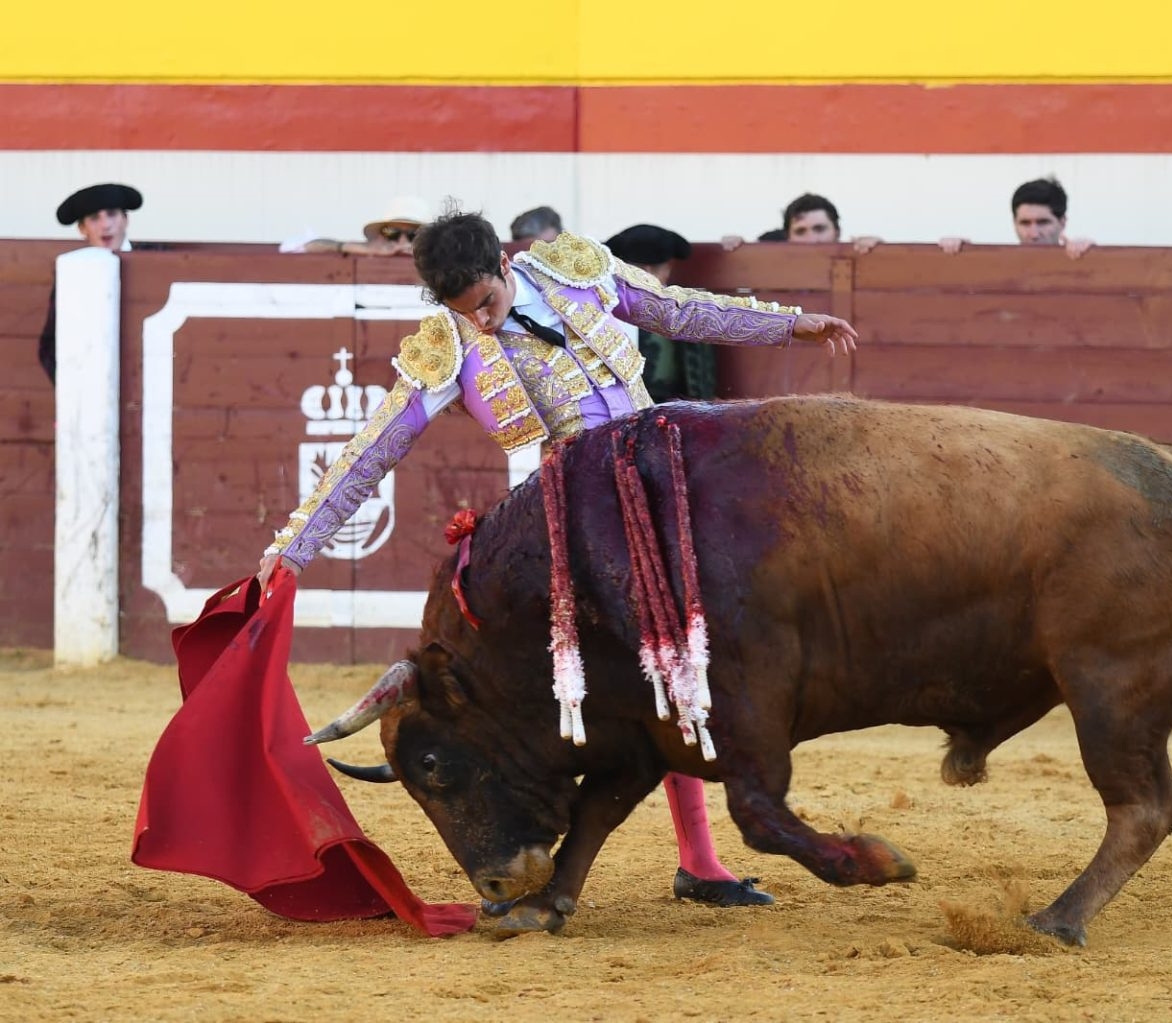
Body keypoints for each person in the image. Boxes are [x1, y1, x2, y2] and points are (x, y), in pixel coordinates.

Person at [255, 207, 857, 909]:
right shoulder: (447, 347)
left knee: (679, 667)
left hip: (660, 494)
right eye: (461, 312)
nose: (479, 322)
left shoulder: (575, 270)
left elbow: (681, 310)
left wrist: (788, 323)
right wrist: (293, 545)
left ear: (504, 266)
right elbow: (372, 449)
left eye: (485, 303)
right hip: (563, 532)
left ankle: (696, 860)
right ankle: (524, 847)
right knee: (624, 678)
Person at [38, 182, 143, 384]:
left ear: (126, 220)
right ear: (82, 229)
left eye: (112, 214)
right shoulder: (73, 272)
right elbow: (49, 347)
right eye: (95, 218)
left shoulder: (155, 259)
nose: (105, 225)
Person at [603, 223, 716, 403]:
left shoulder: (599, 303)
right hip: (667, 409)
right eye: (666, 267)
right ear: (647, 271)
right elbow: (698, 382)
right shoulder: (678, 307)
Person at [938, 176, 1094, 258]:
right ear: (1014, 223)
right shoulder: (997, 264)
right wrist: (957, 253)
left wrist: (1092, 255)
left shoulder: (1083, 256)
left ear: (1062, 222)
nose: (1034, 234)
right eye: (1025, 223)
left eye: (1043, 222)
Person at [722, 193, 881, 254]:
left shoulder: (858, 258)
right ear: (788, 236)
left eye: (819, 229)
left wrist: (880, 254)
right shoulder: (769, 269)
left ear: (837, 232)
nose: (811, 239)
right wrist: (735, 249)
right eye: (800, 231)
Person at [280, 196, 431, 256]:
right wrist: (362, 249)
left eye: (413, 235)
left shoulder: (439, 259)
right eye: (392, 233)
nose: (402, 242)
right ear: (380, 235)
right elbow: (292, 247)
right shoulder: (369, 250)